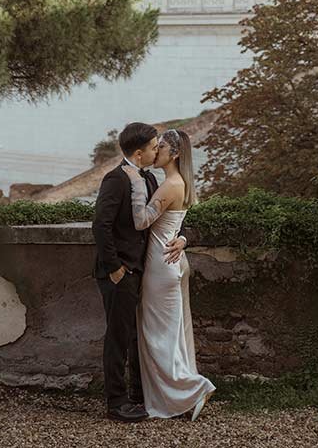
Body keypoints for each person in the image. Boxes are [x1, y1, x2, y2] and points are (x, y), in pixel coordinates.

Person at [91, 122, 187, 423]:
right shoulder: (116, 179)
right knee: (119, 337)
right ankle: (116, 403)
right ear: (139, 151)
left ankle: (138, 394)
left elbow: (172, 219)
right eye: (154, 145)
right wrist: (115, 268)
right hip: (120, 272)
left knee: (135, 336)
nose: (157, 149)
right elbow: (101, 226)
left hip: (141, 270)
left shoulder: (147, 179)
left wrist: (184, 239)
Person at [122, 128, 216, 421]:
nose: (155, 151)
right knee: (173, 334)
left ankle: (193, 388)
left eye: (159, 147)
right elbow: (175, 225)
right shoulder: (181, 183)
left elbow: (141, 222)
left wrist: (135, 183)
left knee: (156, 335)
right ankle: (178, 396)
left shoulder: (170, 185)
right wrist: (184, 239)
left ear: (173, 154)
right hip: (172, 261)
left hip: (161, 265)